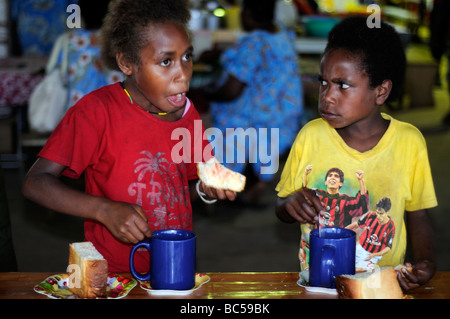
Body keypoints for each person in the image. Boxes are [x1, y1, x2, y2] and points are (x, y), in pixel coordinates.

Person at [22, 0, 236, 273]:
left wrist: (209, 186)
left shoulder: (187, 113)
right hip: (114, 273)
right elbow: (35, 183)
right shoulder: (96, 112)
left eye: (187, 57)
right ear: (126, 62)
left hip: (175, 264)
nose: (182, 74)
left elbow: (185, 182)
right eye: (166, 61)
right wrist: (104, 210)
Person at [275, 16, 437, 291]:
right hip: (318, 284)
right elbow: (282, 207)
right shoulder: (310, 136)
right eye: (323, 82)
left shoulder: (409, 142)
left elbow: (418, 215)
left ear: (381, 91)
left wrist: (425, 262)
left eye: (343, 85)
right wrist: (290, 205)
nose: (327, 96)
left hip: (379, 287)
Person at [201, 0, 304, 205]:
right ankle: (255, 181)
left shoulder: (252, 43)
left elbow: (231, 91)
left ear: (247, 14)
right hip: (286, 116)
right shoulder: (282, 35)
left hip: (262, 120)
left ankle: (221, 185)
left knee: (221, 121)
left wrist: (206, 93)